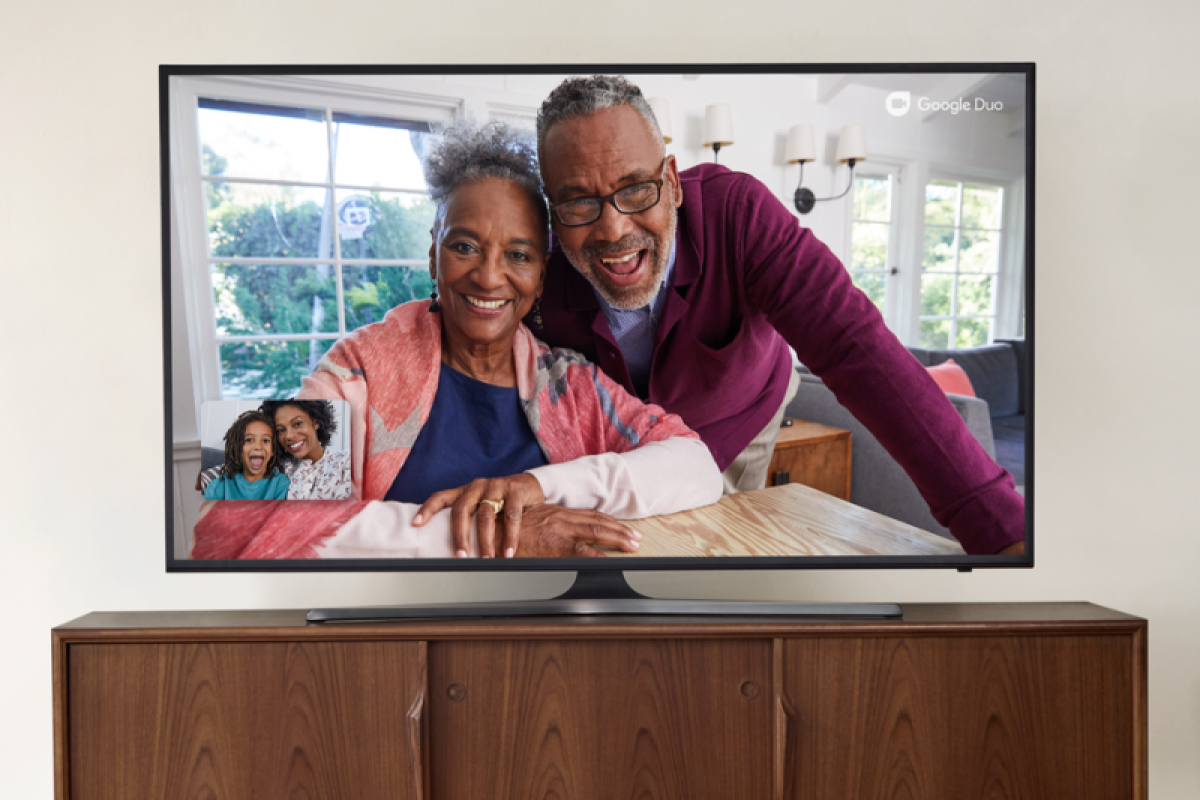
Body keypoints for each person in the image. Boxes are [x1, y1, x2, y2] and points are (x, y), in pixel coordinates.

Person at [529, 75, 1025, 557]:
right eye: (578, 202)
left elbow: (855, 346)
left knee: (723, 535)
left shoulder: (739, 214)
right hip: (616, 440)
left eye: (637, 188)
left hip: (742, 408)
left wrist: (999, 529)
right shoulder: (535, 269)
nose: (613, 229)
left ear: (673, 183)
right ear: (553, 214)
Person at [190, 119, 723, 560]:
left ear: (541, 274)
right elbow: (231, 517)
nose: (489, 277)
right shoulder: (363, 364)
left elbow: (697, 468)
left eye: (518, 255)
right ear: (433, 253)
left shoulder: (567, 379)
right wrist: (485, 534)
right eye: (465, 246)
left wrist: (538, 489)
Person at [260, 399, 353, 500]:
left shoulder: (347, 462)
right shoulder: (277, 470)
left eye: (297, 424)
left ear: (315, 422)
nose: (289, 436)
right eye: (281, 430)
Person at [202, 410, 290, 501]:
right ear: (238, 448)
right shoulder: (219, 486)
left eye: (265, 440)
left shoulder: (280, 484)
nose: (258, 446)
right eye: (249, 440)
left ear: (273, 450)